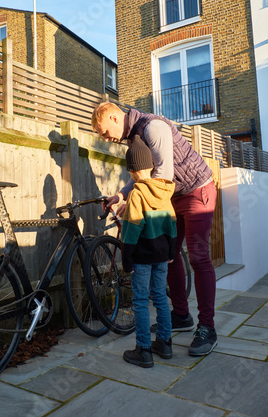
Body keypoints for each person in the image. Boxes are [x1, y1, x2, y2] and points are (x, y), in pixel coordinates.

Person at [91, 101, 218, 357]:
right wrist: (120, 195)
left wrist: (135, 203)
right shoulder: (133, 136)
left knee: (198, 258)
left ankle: (207, 327)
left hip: (196, 191)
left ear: (115, 118)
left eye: (104, 132)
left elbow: (162, 175)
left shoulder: (153, 128)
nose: (105, 139)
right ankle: (181, 315)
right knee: (167, 255)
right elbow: (142, 173)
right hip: (171, 196)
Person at [120, 135, 177, 368]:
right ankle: (164, 343)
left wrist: (126, 260)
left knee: (142, 301)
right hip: (162, 256)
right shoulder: (164, 191)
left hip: (142, 259)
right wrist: (172, 251)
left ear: (131, 171)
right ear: (151, 166)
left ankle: (143, 349)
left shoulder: (136, 193)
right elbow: (172, 224)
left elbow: (131, 230)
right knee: (161, 298)